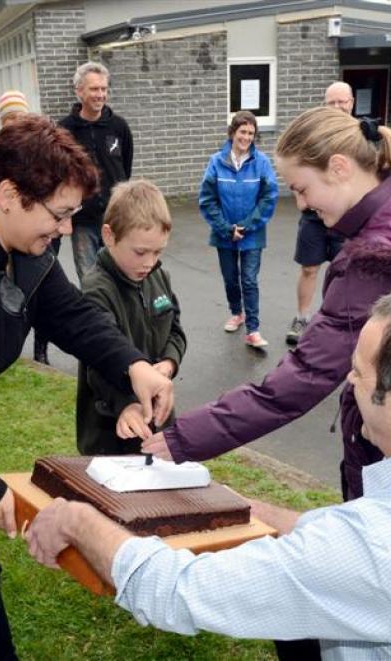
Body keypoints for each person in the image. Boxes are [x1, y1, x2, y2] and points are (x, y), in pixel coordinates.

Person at [0, 115, 173, 660]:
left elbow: (68, 313)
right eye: (60, 214)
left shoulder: (22, 247)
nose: (67, 230)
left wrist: (134, 366)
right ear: (8, 194)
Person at [25, 293, 391, 660]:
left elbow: (175, 589)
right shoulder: (364, 533)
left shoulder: (371, 547)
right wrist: (228, 507)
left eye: (359, 372)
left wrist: (78, 519)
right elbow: (322, 529)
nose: (348, 379)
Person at [142, 107, 391, 504]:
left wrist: (184, 437)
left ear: (340, 167)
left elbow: (299, 381)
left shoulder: (373, 258)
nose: (303, 205)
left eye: (303, 189)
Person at [77, 179, 186, 455]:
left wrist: (168, 363)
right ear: (109, 236)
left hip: (159, 422)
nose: (149, 262)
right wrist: (126, 403)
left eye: (158, 251)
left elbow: (175, 329)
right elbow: (98, 361)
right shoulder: (96, 289)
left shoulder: (159, 276)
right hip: (112, 428)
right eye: (140, 252)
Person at [199, 110, 278, 349]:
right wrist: (226, 228)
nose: (246, 137)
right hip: (224, 234)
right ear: (233, 132)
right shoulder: (216, 162)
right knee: (231, 279)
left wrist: (245, 226)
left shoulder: (262, 163)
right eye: (243, 131)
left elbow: (269, 197)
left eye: (251, 133)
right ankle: (237, 313)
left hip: (252, 234)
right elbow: (207, 200)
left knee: (249, 280)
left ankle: (253, 329)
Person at [286, 82, 354, 345]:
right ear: (324, 104)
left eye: (342, 102)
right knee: (309, 269)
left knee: (344, 273)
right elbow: (293, 164)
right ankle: (302, 319)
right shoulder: (311, 136)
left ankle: (335, 323)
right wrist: (301, 198)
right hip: (314, 218)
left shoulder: (360, 136)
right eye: (332, 102)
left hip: (347, 221)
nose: (337, 107)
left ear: (351, 103)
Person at [59, 61, 133, 283]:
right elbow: (60, 176)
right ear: (79, 91)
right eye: (94, 89)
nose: (100, 94)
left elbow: (125, 168)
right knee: (91, 282)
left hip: (115, 218)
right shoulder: (64, 131)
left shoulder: (119, 127)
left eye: (103, 89)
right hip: (83, 221)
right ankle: (98, 319)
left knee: (121, 277)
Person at [0, 89, 51, 366]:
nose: (16, 123)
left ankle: (40, 347)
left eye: (21, 117)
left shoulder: (38, 156)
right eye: (10, 118)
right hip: (8, 241)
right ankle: (8, 343)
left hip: (37, 237)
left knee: (40, 290)